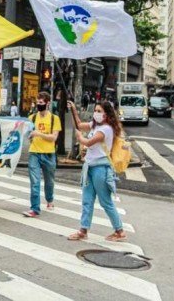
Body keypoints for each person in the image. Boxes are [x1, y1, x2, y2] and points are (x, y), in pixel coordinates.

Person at [66, 100, 127, 242]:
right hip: (89, 167)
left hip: (101, 168)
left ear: (107, 115)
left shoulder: (106, 129)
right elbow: (80, 125)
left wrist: (79, 136)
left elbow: (87, 142)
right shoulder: (95, 125)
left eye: (99, 111)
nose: (96, 113)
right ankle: (83, 230)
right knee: (87, 200)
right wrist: (74, 110)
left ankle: (119, 231)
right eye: (96, 111)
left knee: (105, 201)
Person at [23, 92, 61, 218]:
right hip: (34, 153)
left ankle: (49, 199)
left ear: (47, 103)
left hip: (49, 154)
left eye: (41, 103)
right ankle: (34, 208)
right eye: (37, 102)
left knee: (49, 181)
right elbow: (28, 133)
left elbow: (53, 138)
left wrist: (38, 134)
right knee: (34, 182)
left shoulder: (54, 119)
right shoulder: (32, 118)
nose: (39, 105)